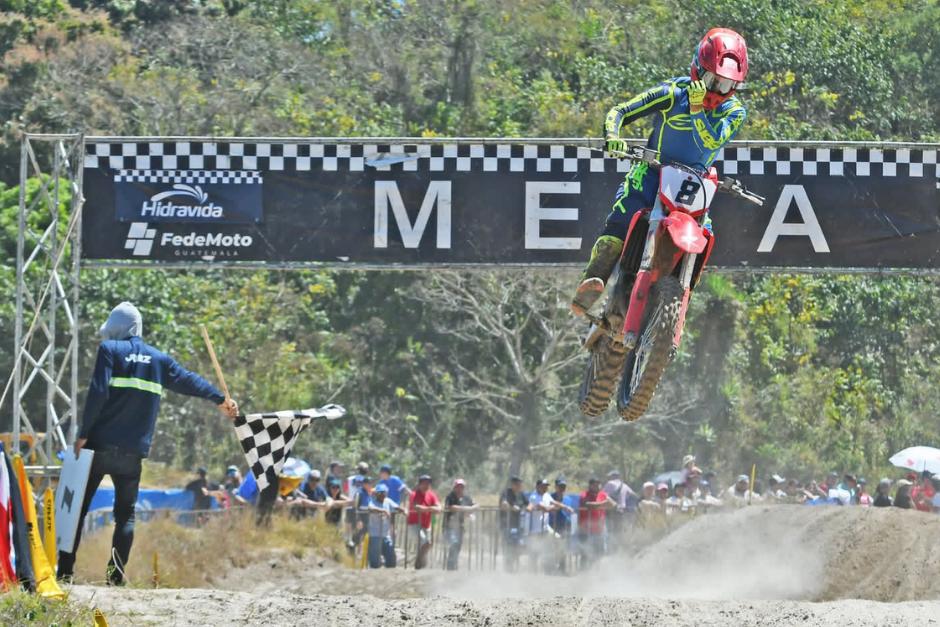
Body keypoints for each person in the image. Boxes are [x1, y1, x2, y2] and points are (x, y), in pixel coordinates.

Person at [571, 28, 749, 317]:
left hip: (694, 185)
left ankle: (679, 301)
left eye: (726, 84)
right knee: (623, 214)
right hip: (653, 173)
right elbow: (620, 111)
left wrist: (696, 112)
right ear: (696, 70)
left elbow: (713, 141)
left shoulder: (734, 111)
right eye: (711, 80)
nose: (716, 91)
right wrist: (613, 135)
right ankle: (594, 280)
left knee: (706, 236)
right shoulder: (671, 93)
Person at [57, 303, 238, 585]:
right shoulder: (159, 360)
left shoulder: (110, 351)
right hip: (132, 454)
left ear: (117, 327)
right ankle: (115, 578)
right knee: (125, 515)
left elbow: (98, 392)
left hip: (99, 447)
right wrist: (220, 400)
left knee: (78, 510)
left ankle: (65, 574)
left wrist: (83, 433)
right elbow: (189, 381)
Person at [577, 478, 615, 568]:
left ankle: (596, 571)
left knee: (600, 552)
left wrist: (601, 504)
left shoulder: (603, 494)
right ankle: (582, 572)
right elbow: (588, 505)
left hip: (600, 529)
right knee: (585, 551)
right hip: (585, 529)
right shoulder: (584, 495)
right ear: (590, 485)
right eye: (595, 484)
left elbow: (613, 504)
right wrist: (604, 504)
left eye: (599, 484)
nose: (597, 486)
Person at [406, 474, 441, 569]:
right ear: (419, 484)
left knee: (426, 545)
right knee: (426, 543)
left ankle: (422, 565)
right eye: (424, 483)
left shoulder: (431, 495)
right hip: (414, 524)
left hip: (426, 525)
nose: (426, 485)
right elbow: (417, 507)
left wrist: (427, 509)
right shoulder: (414, 494)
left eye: (428, 483)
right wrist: (431, 509)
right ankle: (418, 564)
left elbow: (439, 508)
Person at [367, 484, 404, 568]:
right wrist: (383, 510)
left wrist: (403, 510)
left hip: (385, 535)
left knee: (391, 558)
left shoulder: (388, 501)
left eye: (384, 493)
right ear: (376, 494)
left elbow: (396, 507)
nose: (382, 495)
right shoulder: (372, 501)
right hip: (374, 535)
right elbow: (370, 508)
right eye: (380, 493)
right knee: (375, 562)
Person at [443, 479, 478, 570]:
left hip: (460, 527)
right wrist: (468, 509)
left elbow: (476, 505)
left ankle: (454, 565)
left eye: (461, 487)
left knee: (458, 546)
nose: (460, 489)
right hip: (449, 526)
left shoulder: (466, 497)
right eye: (458, 487)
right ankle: (450, 567)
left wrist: (472, 509)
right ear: (454, 487)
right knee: (454, 544)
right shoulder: (450, 497)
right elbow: (452, 507)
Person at [499, 476, 528, 572]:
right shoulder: (506, 493)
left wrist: (529, 508)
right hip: (506, 525)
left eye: (520, 484)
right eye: (517, 484)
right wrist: (512, 507)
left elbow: (528, 503)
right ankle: (508, 567)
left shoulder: (521, 494)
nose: (519, 486)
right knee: (508, 545)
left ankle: (513, 565)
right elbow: (503, 504)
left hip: (518, 525)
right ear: (513, 484)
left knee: (517, 546)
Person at [548, 477, 576, 573]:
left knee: (563, 547)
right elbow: (550, 509)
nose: (562, 488)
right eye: (560, 486)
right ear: (555, 487)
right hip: (553, 525)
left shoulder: (568, 499)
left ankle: (562, 567)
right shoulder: (550, 497)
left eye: (563, 486)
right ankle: (550, 568)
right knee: (553, 547)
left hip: (565, 525)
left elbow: (571, 512)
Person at [602, 470, 636, 547]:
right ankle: (622, 548)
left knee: (611, 532)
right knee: (620, 531)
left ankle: (612, 549)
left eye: (610, 476)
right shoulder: (624, 485)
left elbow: (602, 495)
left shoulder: (610, 484)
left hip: (612, 511)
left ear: (613, 476)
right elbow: (633, 495)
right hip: (623, 512)